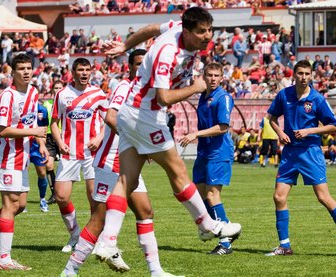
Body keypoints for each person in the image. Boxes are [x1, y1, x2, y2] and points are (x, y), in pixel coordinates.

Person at [98, 6, 241, 261]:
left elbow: (150, 28)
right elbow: (163, 98)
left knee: (126, 181)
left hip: (131, 113)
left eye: (210, 30)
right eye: (201, 32)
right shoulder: (168, 54)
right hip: (147, 115)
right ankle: (207, 224)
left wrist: (124, 47)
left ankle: (108, 241)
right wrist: (195, 87)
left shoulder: (175, 29)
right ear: (187, 31)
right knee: (178, 171)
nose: (207, 36)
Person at [61, 49, 179, 277]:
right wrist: (140, 141)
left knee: (145, 210)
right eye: (137, 64)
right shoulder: (125, 88)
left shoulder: (151, 92)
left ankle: (156, 271)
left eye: (145, 64)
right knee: (99, 219)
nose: (141, 68)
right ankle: (70, 270)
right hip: (109, 161)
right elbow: (111, 116)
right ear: (130, 66)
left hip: (128, 162)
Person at [265, 60, 336, 257]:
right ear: (294, 75)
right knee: (278, 197)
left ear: (312, 76)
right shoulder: (284, 95)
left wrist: (310, 131)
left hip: (310, 152)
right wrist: (280, 133)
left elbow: (335, 125)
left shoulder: (317, 99)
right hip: (290, 153)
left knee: (323, 197)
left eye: (307, 73)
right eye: (300, 73)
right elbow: (271, 118)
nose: (304, 77)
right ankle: (284, 246)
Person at [0, 54, 48, 269]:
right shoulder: (7, 96)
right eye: (21, 68)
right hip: (8, 157)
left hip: (23, 157)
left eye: (28, 68)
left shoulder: (33, 92)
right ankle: (4, 259)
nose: (26, 72)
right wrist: (34, 131)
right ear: (12, 72)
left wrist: (40, 142)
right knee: (10, 205)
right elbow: (2, 131)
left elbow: (30, 122)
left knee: (19, 205)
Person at [180, 62, 239, 255]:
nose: (213, 79)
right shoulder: (203, 98)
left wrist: (195, 134)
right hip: (204, 151)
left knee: (213, 194)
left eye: (216, 76)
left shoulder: (223, 97)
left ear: (221, 78)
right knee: (199, 192)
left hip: (219, 151)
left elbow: (223, 127)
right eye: (209, 75)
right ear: (204, 77)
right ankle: (217, 226)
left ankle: (225, 241)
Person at [51, 58, 107, 253]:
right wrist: (60, 143)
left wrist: (100, 137)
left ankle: (95, 239)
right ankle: (75, 234)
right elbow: (54, 122)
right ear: (72, 72)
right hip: (70, 154)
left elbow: (109, 121)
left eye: (87, 70)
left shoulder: (98, 94)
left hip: (92, 153)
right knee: (61, 196)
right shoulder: (63, 94)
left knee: (95, 198)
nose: (84, 73)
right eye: (81, 70)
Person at [43, 81, 64, 204]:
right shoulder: (46, 104)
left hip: (63, 136)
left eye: (60, 88)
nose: (57, 90)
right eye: (55, 88)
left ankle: (63, 193)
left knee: (65, 166)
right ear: (52, 91)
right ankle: (54, 194)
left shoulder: (67, 103)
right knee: (49, 165)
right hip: (50, 137)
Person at [29, 102, 50, 212]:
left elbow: (44, 124)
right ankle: (20, 202)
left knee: (42, 173)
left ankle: (42, 199)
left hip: (37, 145)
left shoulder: (42, 109)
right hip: (24, 143)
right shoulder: (23, 106)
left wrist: (44, 137)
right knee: (22, 172)